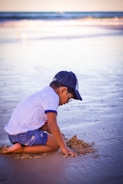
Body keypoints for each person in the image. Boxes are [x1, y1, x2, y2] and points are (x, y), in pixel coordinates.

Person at [2, 70, 82, 157]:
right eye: (70, 98)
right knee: (56, 145)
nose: (67, 102)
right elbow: (52, 124)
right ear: (63, 90)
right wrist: (64, 147)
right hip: (24, 134)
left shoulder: (44, 94)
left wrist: (57, 135)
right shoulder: (53, 97)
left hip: (13, 135)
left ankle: (20, 145)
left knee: (56, 138)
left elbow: (45, 125)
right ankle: (21, 149)